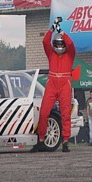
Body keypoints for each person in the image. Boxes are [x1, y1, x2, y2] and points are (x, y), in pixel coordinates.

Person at [32, 17, 76, 153]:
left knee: (65, 114)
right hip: (51, 83)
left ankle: (66, 141)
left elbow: (71, 44)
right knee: (44, 113)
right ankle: (40, 140)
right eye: (58, 44)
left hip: (64, 84)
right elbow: (45, 41)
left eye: (62, 44)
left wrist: (61, 32)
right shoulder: (51, 53)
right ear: (54, 44)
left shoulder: (70, 54)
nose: (61, 46)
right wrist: (52, 28)